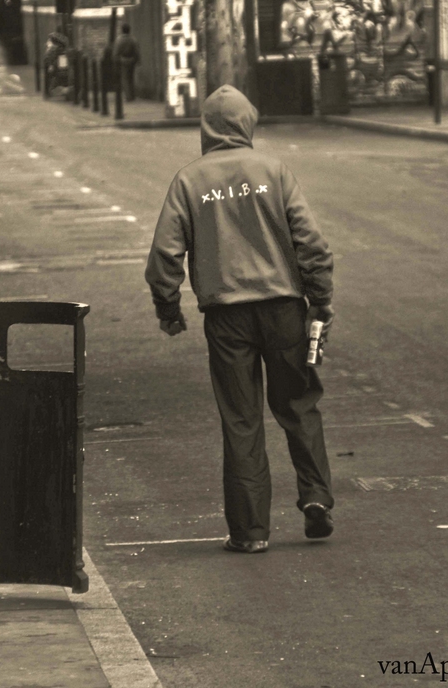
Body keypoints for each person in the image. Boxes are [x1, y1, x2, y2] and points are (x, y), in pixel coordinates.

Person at [145, 85, 336, 554]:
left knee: (241, 418)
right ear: (247, 123)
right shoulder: (274, 172)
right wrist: (321, 298)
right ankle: (315, 497)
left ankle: (250, 531)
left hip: (226, 317)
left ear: (207, 128)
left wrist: (169, 309)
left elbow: (165, 255)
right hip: (284, 310)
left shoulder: (189, 181)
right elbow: (310, 242)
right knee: (298, 405)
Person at [112, 23, 140, 101]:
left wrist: (116, 60)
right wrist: (137, 60)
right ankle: (132, 95)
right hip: (131, 61)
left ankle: (128, 96)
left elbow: (116, 53)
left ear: (122, 30)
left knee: (125, 79)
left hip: (123, 61)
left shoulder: (119, 40)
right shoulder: (133, 39)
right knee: (131, 78)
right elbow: (136, 51)